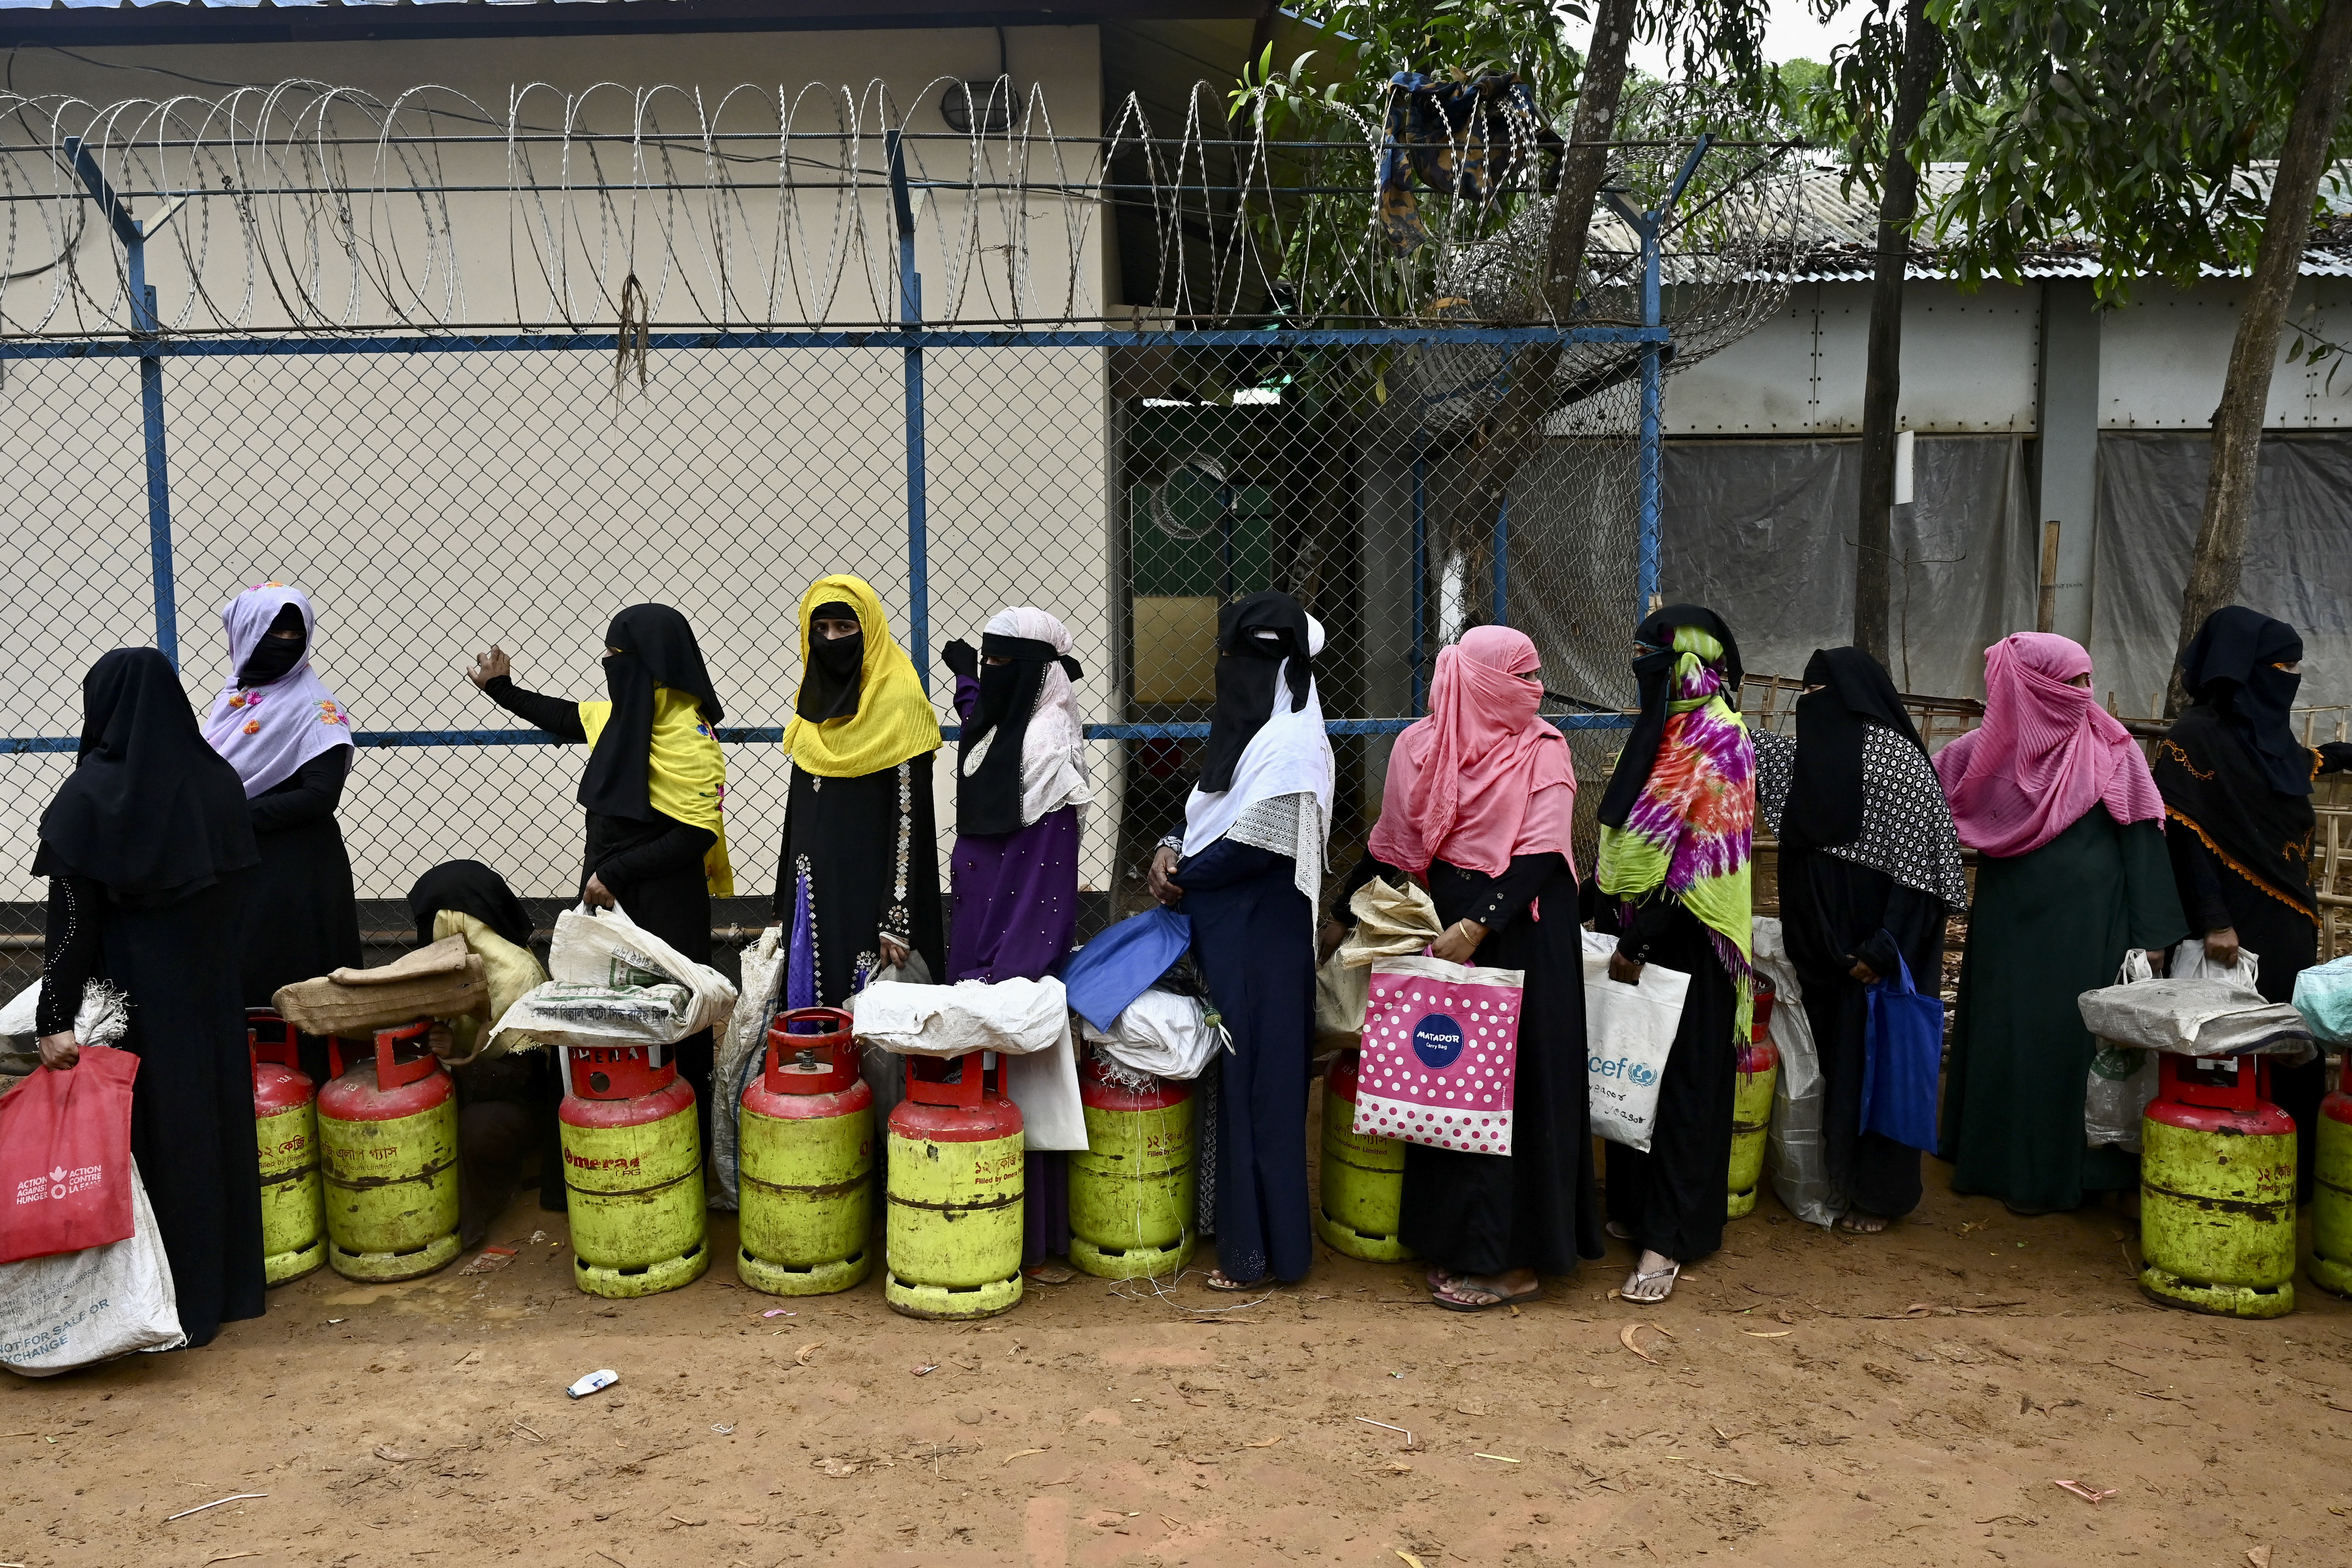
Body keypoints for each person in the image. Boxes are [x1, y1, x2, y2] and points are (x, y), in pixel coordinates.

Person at [1333, 624, 1600, 1309]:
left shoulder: (1544, 749)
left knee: (1512, 1091)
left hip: (1521, 934)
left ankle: (1513, 1260)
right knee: (1448, 1085)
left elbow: (1542, 855)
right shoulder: (1418, 745)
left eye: (1539, 676)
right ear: (1478, 681)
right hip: (1441, 928)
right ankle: (1455, 1239)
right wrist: (1339, 913)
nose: (1537, 691)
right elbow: (1392, 844)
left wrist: (1478, 924)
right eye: (1523, 676)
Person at [34, 647, 265, 1348]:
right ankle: (226, 1292)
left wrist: (54, 1016)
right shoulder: (217, 783)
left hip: (134, 1002)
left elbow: (73, 925)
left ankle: (165, 1304)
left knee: (155, 1141)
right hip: (210, 998)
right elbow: (240, 895)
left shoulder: (88, 800)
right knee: (214, 1130)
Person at [1937, 631, 2185, 1215]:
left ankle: (2080, 1171)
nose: (2083, 692)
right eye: (2069, 681)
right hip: (2010, 925)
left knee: (2073, 1041)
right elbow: (1934, 807)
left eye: (2086, 679)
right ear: (2029, 684)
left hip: (2086, 927)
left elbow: (2143, 839)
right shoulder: (1981, 753)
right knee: (2009, 1034)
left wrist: (2151, 937)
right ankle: (1998, 1163)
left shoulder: (2110, 747)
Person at [466, 605, 732, 1123]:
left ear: (650, 663)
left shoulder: (687, 736)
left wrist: (614, 873)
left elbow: (695, 833)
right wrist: (500, 689)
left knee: (669, 1019)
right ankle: (601, 1137)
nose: (608, 664)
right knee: (601, 1024)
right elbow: (565, 716)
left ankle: (678, 1142)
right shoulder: (622, 718)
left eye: (617, 656)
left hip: (663, 904)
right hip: (606, 899)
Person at [1147, 590, 1333, 1291]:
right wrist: (1169, 849)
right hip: (1228, 930)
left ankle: (1267, 1254)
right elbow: (1206, 809)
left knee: (1266, 1088)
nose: (1236, 669)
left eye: (1254, 656)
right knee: (1233, 1081)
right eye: (1230, 654)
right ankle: (1238, 1237)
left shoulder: (1292, 742)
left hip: (1265, 939)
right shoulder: (1246, 731)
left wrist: (1181, 875)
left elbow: (1255, 844)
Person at [1753, 647, 1968, 1234]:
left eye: (1820, 691)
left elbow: (1920, 875)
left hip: (1877, 956)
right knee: (1822, 1063)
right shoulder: (1802, 760)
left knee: (1879, 1066)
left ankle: (1878, 1194)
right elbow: (1745, 749)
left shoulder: (1900, 765)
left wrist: (1883, 949)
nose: (1809, 703)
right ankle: (1822, 1178)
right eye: (1807, 692)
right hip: (1817, 952)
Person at [2156, 607, 2352, 1200]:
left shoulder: (2267, 738)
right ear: (2244, 672)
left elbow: (2290, 770)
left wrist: (2338, 755)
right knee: (2232, 1044)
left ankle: (2292, 1177)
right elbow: (2186, 840)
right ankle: (2222, 1168)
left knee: (2293, 1039)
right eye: (2282, 666)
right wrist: (2214, 920)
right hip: (2231, 927)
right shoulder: (2193, 739)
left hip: (2288, 919)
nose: (2289, 677)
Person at [1592, 606, 1755, 1304]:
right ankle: (1635, 1209)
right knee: (1635, 1076)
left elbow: (1701, 860)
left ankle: (1671, 1237)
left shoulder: (1720, 739)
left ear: (1686, 663)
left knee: (1684, 1090)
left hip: (1690, 936)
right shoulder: (1659, 729)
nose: (1640, 668)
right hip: (1640, 931)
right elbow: (1624, 833)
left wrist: (1641, 933)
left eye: (1650, 656)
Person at [943, 607, 1092, 1266]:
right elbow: (985, 718)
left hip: (1011, 949)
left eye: (1005, 662)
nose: (991, 672)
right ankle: (969, 1221)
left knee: (1016, 1086)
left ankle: (1026, 1239)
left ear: (1036, 670)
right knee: (971, 1090)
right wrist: (967, 681)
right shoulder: (1010, 718)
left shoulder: (1048, 745)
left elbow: (1045, 874)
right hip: (974, 931)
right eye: (988, 658)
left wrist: (1006, 973)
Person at [200, 582, 361, 1083]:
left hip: (296, 871)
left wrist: (230, 814)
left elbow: (319, 795)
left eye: (296, 632)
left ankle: (315, 1086)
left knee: (297, 979)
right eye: (273, 631)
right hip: (244, 866)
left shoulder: (313, 707)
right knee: (248, 976)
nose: (286, 642)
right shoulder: (236, 698)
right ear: (243, 634)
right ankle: (256, 1092)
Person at [775, 575, 946, 1004]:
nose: (831, 639)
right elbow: (797, 815)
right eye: (821, 629)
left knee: (872, 1023)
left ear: (868, 631)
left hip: (870, 895)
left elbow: (911, 821)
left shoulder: (900, 702)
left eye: (845, 628)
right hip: (814, 893)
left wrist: (897, 917)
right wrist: (785, 898)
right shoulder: (811, 705)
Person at [409, 860, 559, 1245]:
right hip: (457, 1089)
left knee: (478, 1128)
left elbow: (523, 1081)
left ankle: (474, 1216)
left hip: (516, 1103)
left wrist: (459, 1056)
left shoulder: (517, 975)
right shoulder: (429, 973)